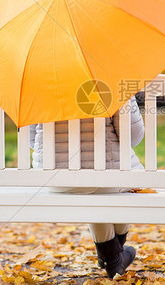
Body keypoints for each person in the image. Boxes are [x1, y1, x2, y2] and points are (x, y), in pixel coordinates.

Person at [29, 96, 145, 278]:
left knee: (96, 186)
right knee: (117, 181)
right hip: (108, 179)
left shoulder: (38, 85)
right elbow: (132, 136)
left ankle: (113, 255)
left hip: (54, 179)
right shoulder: (111, 81)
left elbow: (32, 140)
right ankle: (114, 258)